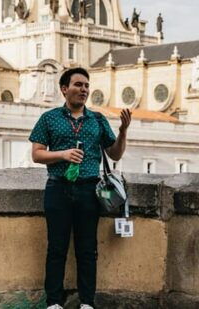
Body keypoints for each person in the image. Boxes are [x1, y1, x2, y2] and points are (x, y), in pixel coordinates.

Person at [29, 67, 131, 309]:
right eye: (78, 85)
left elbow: (114, 152)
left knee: (87, 249)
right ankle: (54, 302)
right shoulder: (49, 118)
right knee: (57, 248)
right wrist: (63, 154)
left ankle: (87, 302)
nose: (83, 89)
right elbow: (36, 154)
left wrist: (123, 132)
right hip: (58, 188)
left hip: (89, 190)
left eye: (86, 85)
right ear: (64, 89)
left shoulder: (97, 119)